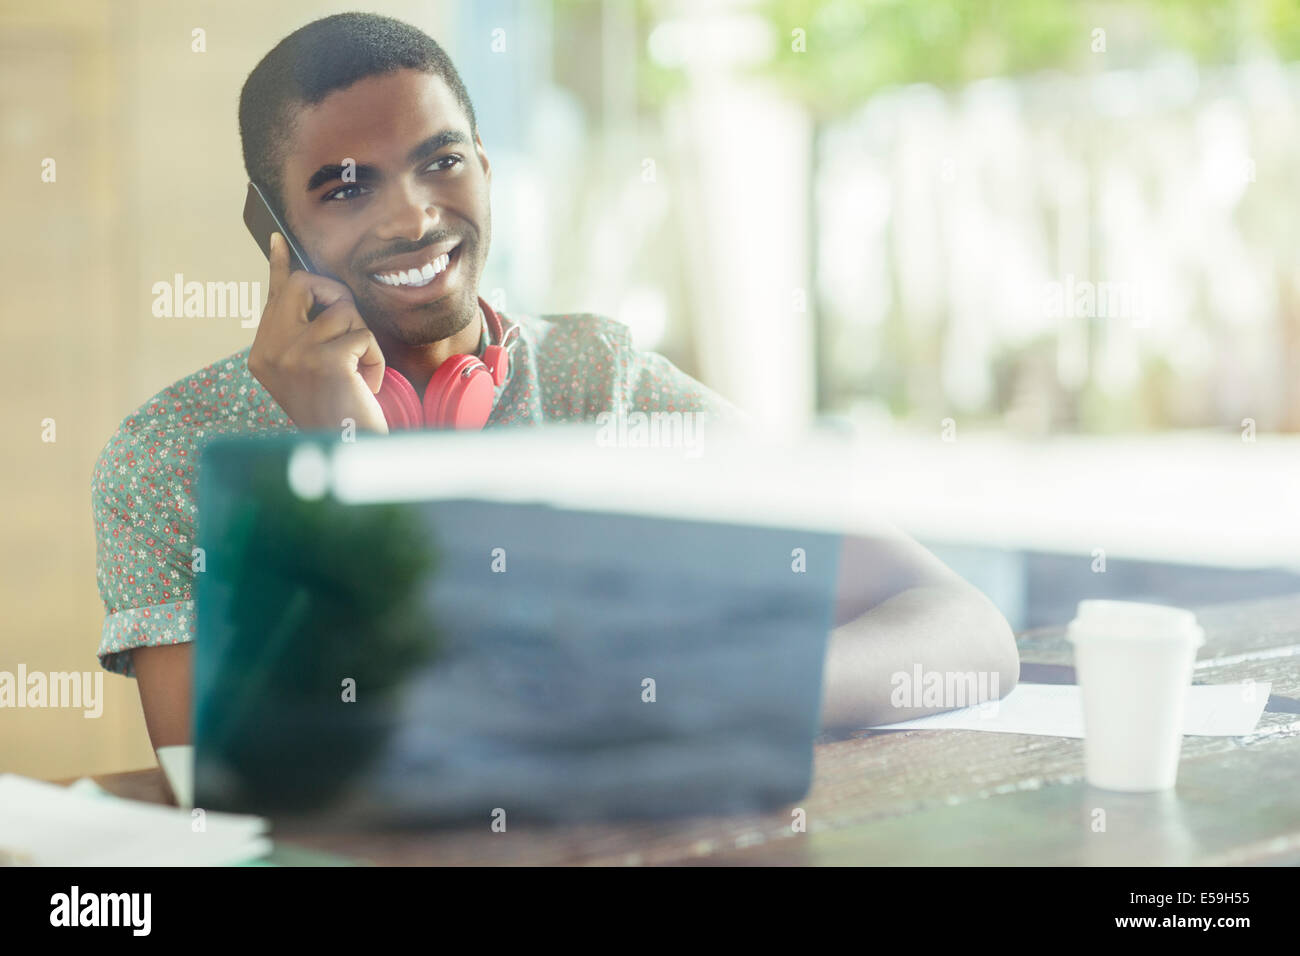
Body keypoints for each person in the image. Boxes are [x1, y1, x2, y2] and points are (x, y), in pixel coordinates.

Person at [92, 12, 1018, 753]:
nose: (414, 216)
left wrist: (719, 692)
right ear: (275, 236)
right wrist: (349, 464)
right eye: (345, 188)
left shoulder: (601, 385)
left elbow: (966, 628)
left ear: (486, 171)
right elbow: (221, 768)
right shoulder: (173, 455)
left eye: (440, 161)